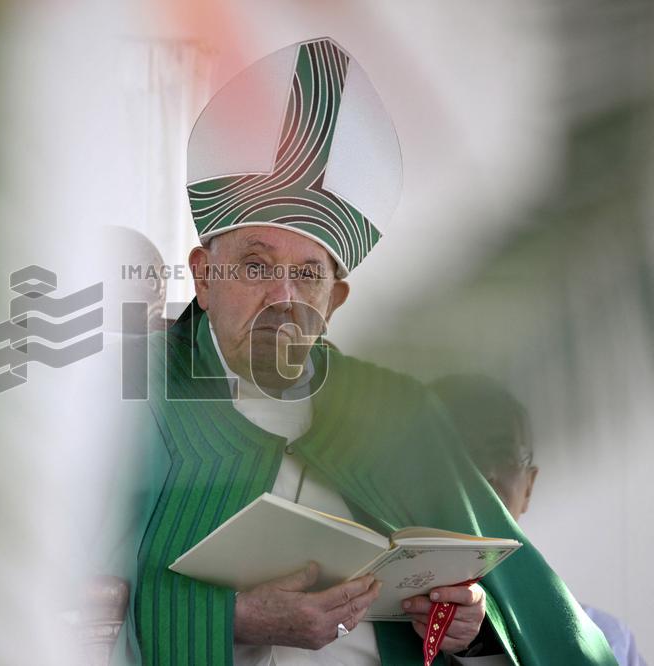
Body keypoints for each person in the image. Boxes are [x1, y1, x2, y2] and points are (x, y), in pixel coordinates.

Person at [98, 37, 617, 665]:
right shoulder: (126, 397)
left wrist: (473, 629)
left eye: (308, 275)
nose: (283, 300)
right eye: (257, 268)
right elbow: (52, 596)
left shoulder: (396, 415)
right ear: (204, 276)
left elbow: (549, 633)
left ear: (335, 299)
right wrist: (235, 619)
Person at [430, 374, 648, 666]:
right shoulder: (358, 618)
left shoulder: (608, 643)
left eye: (503, 454)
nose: (487, 474)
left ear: (529, 486)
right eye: (464, 455)